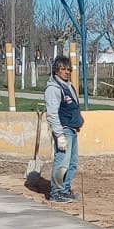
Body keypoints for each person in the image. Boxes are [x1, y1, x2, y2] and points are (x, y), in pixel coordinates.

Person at [42, 55, 82, 203]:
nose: (67, 72)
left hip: (72, 130)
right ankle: (56, 192)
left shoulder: (69, 86)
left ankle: (65, 189)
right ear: (56, 71)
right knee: (62, 162)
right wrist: (59, 135)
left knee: (72, 163)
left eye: (68, 69)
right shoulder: (53, 89)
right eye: (63, 69)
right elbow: (52, 114)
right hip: (64, 130)